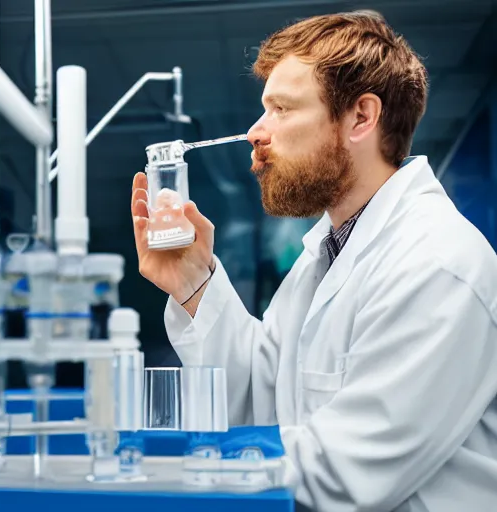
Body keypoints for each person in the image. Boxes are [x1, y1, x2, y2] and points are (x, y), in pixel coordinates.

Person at [131, 10, 497, 511]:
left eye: (281, 108)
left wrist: (158, 466)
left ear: (361, 118)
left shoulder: (437, 265)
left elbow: (343, 472)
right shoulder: (325, 255)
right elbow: (259, 402)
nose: (256, 132)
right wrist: (193, 285)